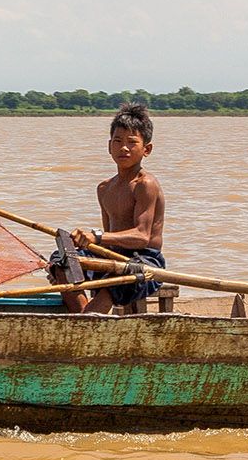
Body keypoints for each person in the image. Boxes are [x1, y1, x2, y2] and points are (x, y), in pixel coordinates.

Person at [49, 102, 165, 314]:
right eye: (118, 141)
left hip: (145, 261)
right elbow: (109, 238)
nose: (124, 148)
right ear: (109, 145)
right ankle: (85, 318)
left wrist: (97, 237)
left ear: (146, 149)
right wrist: (83, 243)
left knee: (116, 279)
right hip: (112, 255)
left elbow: (141, 237)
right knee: (61, 259)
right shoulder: (104, 188)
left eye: (132, 143)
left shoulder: (145, 185)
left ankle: (85, 325)